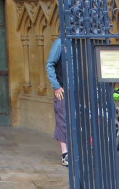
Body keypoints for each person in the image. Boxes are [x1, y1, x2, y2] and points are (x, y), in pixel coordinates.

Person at [46, 37, 69, 167]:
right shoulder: (60, 43)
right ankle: (65, 153)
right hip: (63, 89)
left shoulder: (80, 41)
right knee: (63, 119)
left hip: (79, 88)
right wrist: (56, 86)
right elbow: (50, 64)